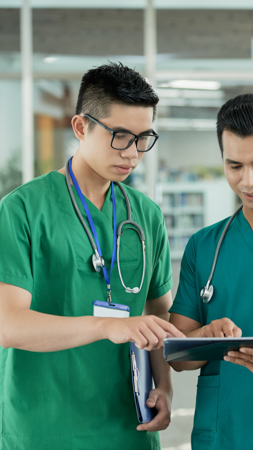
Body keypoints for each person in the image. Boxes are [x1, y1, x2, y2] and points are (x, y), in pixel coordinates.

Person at [0, 62, 183, 450]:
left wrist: (164, 387)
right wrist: (106, 327)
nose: (133, 153)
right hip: (43, 428)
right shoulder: (22, 210)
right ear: (81, 127)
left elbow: (158, 315)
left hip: (128, 427)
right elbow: (8, 324)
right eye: (120, 136)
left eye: (143, 138)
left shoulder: (145, 215)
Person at [169, 93, 253, 450]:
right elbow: (177, 357)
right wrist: (205, 334)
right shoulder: (206, 246)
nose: (248, 181)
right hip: (224, 433)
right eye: (235, 166)